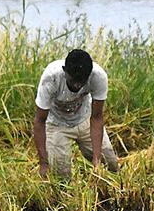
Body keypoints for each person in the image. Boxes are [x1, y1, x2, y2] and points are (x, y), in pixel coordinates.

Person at [32, 49, 119, 180]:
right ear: (64, 70)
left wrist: (96, 160)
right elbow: (39, 121)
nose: (77, 85)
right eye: (73, 80)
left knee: (110, 165)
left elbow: (96, 118)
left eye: (82, 81)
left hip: (85, 120)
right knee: (61, 176)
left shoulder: (98, 77)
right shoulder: (51, 78)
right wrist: (43, 163)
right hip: (57, 125)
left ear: (89, 75)